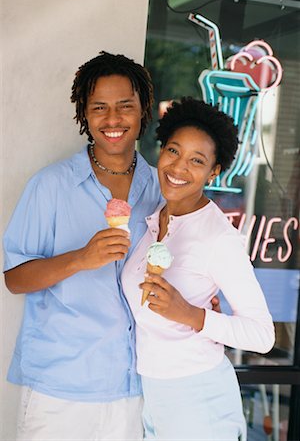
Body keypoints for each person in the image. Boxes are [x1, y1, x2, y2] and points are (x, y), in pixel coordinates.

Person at [3, 51, 161, 441]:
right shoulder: (50, 185)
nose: (113, 120)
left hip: (138, 386)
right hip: (62, 390)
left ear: (143, 111)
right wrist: (81, 258)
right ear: (84, 115)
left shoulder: (161, 189)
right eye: (99, 108)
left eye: (125, 106)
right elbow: (14, 279)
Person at [122, 97, 275, 441]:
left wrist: (192, 315)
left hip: (198, 398)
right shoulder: (155, 215)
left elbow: (263, 335)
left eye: (197, 160)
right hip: (153, 394)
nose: (178, 168)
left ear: (214, 171)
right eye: (173, 151)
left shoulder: (218, 238)